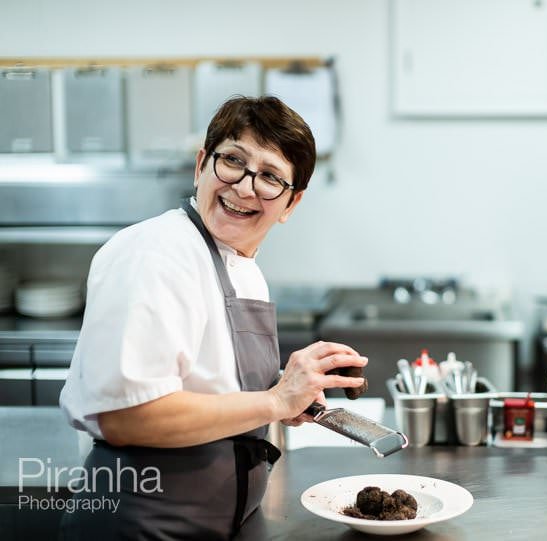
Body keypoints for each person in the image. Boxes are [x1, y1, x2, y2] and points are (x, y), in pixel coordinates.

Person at [59, 96, 367, 539]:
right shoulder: (154, 254)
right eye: (233, 161)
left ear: (292, 203)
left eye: (270, 178)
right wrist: (274, 402)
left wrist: (290, 395)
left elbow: (203, 383)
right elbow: (126, 417)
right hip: (144, 525)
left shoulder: (241, 266)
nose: (245, 187)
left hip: (215, 524)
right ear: (202, 163)